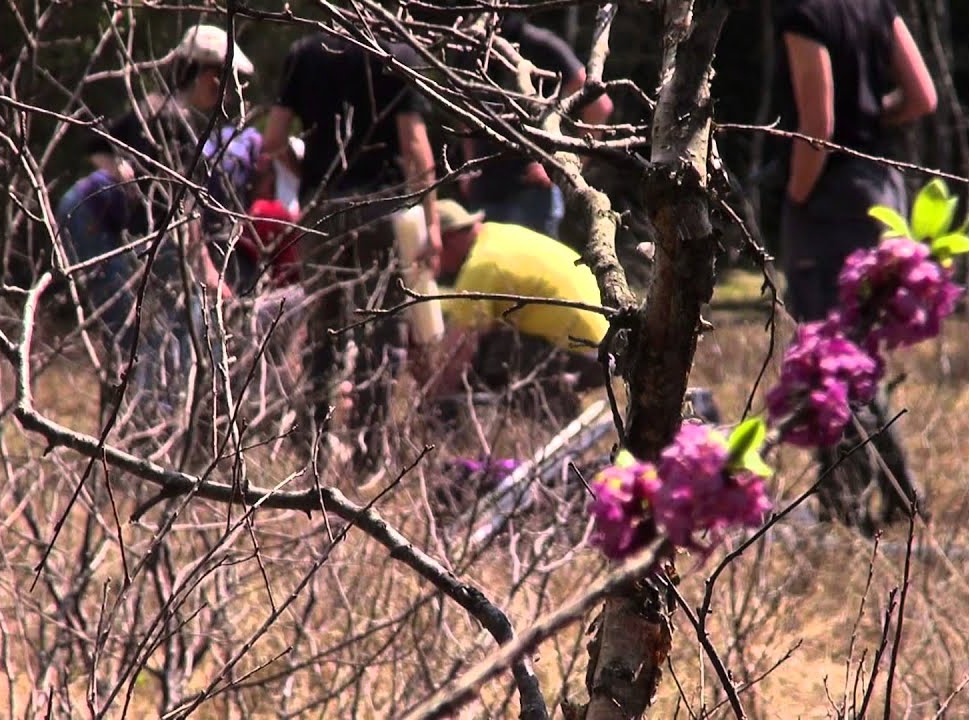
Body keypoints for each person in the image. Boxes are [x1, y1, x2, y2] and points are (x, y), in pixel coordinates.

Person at [775, 0, 937, 528]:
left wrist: (797, 196)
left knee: (827, 356)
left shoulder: (804, 14)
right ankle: (899, 497)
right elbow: (922, 97)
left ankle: (846, 506)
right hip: (883, 189)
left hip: (831, 196)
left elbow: (817, 124)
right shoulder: (875, 6)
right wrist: (870, 119)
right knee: (859, 350)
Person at [57, 24, 254, 435]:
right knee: (152, 335)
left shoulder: (150, 108)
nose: (231, 96)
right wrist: (209, 275)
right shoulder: (178, 126)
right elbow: (186, 212)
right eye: (230, 84)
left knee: (142, 333)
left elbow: (94, 145)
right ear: (207, 77)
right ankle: (148, 432)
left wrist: (124, 174)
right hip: (103, 227)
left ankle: (135, 428)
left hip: (107, 227)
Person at [261, 31, 441, 471]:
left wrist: (310, 179)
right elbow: (415, 146)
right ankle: (368, 456)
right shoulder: (396, 52)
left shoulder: (304, 52)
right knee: (380, 336)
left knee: (324, 333)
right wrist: (432, 222)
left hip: (322, 212)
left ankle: (311, 453)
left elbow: (274, 139)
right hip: (382, 210)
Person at [424, 199, 609, 422]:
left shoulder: (481, 266)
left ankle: (554, 414)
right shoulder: (498, 235)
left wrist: (433, 401)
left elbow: (458, 349)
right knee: (494, 337)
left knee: (491, 354)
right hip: (607, 346)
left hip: (587, 355)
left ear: (447, 240)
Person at [459, 14, 613, 238]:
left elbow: (599, 106)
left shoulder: (541, 46)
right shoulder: (471, 48)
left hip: (531, 196)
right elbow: (467, 113)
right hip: (484, 193)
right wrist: (468, 166)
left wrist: (566, 167)